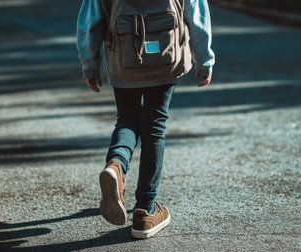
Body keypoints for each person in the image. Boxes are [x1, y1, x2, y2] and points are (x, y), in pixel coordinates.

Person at [76, 0, 215, 239]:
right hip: (166, 60)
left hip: (124, 61)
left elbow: (90, 24)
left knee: (127, 119)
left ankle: (116, 166)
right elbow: (197, 17)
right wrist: (205, 61)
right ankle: (145, 212)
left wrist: (90, 66)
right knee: (154, 126)